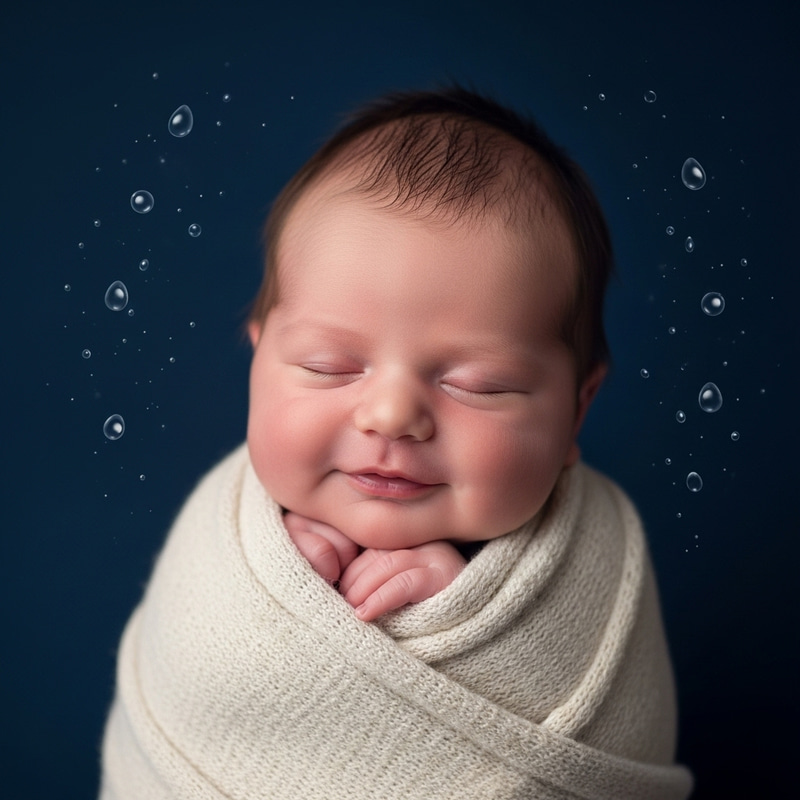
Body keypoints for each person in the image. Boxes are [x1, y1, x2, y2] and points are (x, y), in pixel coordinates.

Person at [100, 87, 693, 799]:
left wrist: (464, 613)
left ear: (577, 409)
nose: (390, 415)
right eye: (329, 367)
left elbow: (610, 728)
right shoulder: (221, 536)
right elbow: (192, 681)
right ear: (258, 363)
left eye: (479, 384)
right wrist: (280, 595)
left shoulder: (598, 561)